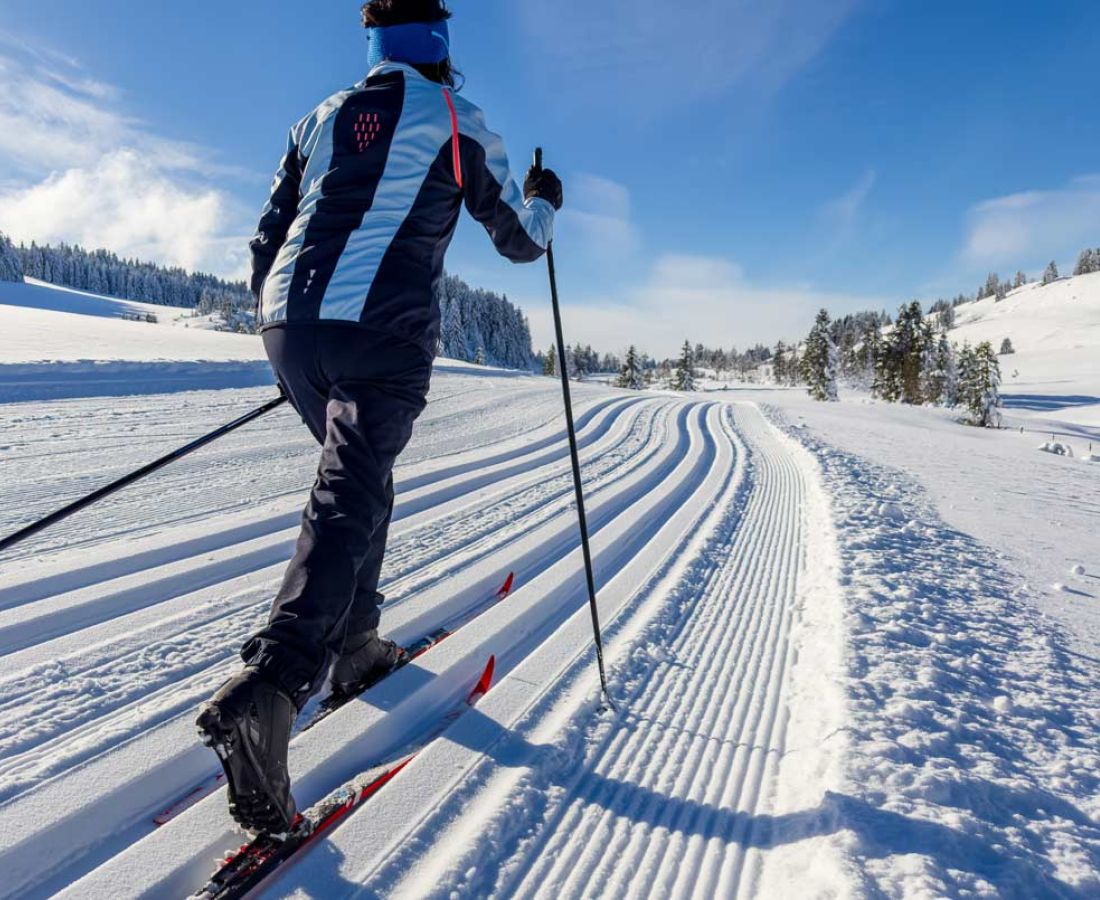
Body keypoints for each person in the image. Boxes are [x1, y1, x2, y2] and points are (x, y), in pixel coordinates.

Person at [196, 0, 562, 835]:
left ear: (373, 45)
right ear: (439, 46)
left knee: (360, 485)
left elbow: (265, 241)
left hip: (290, 329)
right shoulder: (454, 117)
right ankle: (274, 686)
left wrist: (295, 328)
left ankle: (356, 645)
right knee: (348, 494)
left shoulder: (317, 119)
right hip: (382, 337)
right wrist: (545, 198)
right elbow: (519, 238)